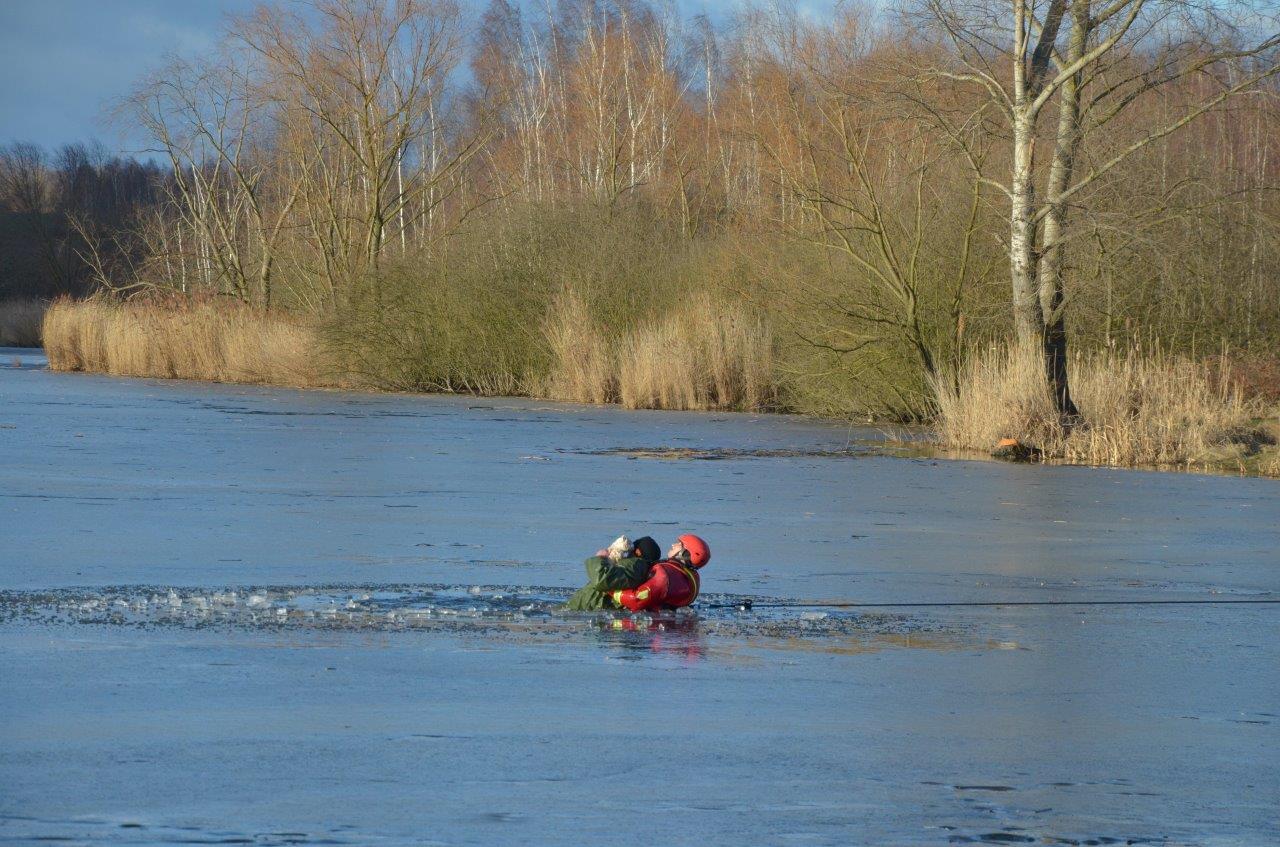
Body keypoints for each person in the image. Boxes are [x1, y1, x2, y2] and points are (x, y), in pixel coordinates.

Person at [611, 534, 710, 612]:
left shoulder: (665, 575)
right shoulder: (691, 576)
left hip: (650, 630)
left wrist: (609, 589)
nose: (673, 545)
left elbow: (637, 599)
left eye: (678, 544)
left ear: (685, 553)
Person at [564, 534, 661, 611]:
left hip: (587, 610)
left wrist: (600, 558)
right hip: (584, 608)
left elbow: (601, 579)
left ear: (638, 551)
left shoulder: (635, 565)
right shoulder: (636, 567)